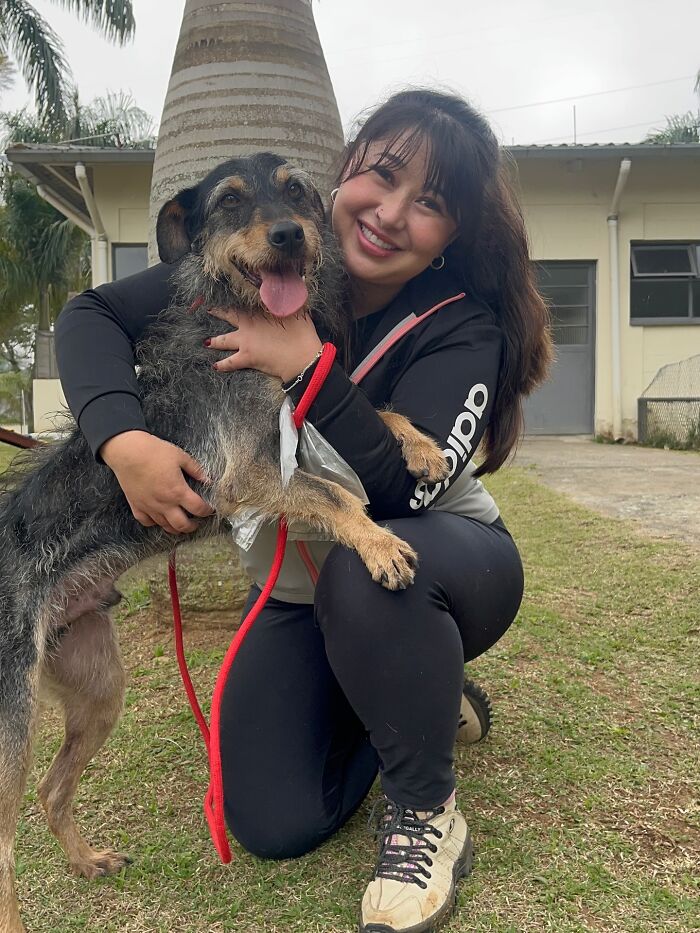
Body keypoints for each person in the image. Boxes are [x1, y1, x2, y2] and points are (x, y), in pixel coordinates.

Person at [55, 88, 552, 933]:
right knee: (274, 819)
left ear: (455, 234)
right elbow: (92, 313)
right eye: (383, 176)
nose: (392, 213)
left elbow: (404, 492)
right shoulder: (259, 271)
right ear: (347, 170)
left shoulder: (463, 327)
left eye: (429, 204)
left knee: (372, 563)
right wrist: (119, 440)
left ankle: (425, 810)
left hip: (445, 556)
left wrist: (306, 363)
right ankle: (417, 693)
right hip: (300, 588)